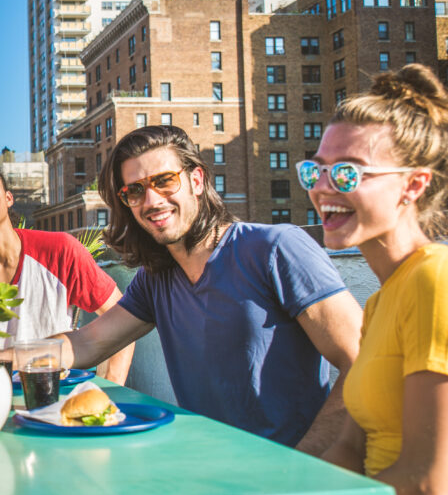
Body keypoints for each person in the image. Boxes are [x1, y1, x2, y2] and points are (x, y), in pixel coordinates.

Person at [55, 125, 363, 453]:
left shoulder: (275, 248)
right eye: (134, 191)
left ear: (197, 180)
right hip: (209, 470)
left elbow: (361, 360)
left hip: (292, 480)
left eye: (164, 181)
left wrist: (304, 464)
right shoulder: (155, 279)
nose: (152, 200)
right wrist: (0, 359)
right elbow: (89, 342)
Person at [311, 65, 448, 495]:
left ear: (413, 184)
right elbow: (351, 446)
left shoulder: (435, 280)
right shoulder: (379, 301)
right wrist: (277, 491)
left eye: (348, 172)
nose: (324, 187)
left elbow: (430, 485)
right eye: (317, 170)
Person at [0, 160, 135, 384]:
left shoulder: (60, 250)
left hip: (54, 397)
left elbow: (121, 322)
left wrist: (108, 390)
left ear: (8, 199)